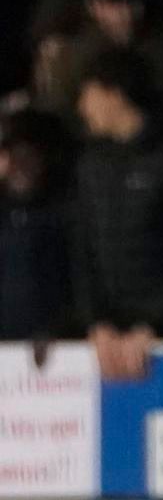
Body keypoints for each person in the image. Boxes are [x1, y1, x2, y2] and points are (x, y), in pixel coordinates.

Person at [71, 51, 163, 377]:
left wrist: (154, 324)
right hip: (108, 344)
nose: (82, 107)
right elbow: (83, 254)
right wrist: (97, 323)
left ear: (114, 94)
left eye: (88, 95)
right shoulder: (90, 167)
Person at [0, 110, 71, 343]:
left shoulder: (61, 214)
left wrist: (57, 328)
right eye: (12, 156)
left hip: (50, 346)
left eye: (28, 156)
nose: (19, 166)